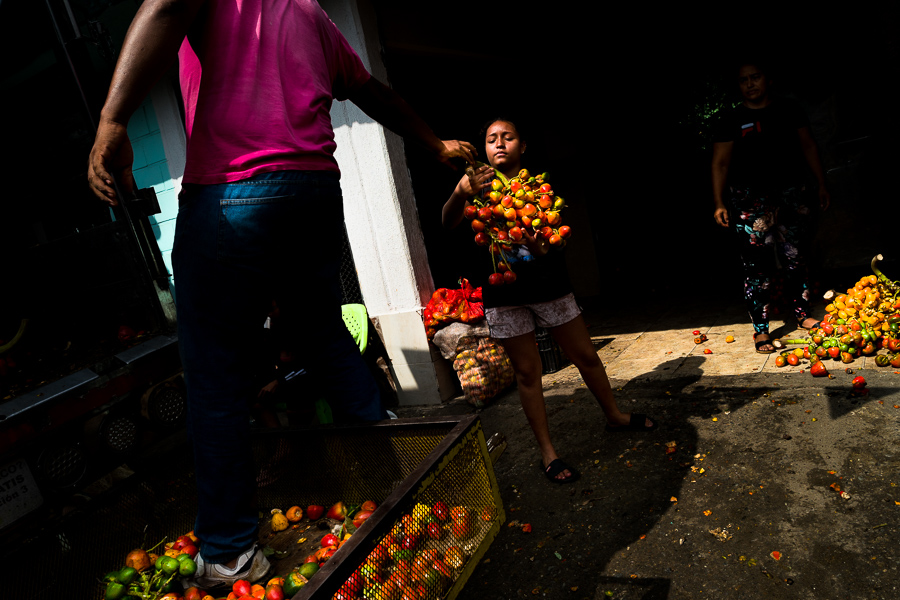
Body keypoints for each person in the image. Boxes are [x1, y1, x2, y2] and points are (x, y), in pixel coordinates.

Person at [87, 0, 476, 589]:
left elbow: (165, 7)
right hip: (313, 194)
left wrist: (114, 119)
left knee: (216, 377)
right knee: (324, 334)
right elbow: (376, 95)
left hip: (232, 192)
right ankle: (392, 484)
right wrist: (435, 143)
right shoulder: (312, 14)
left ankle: (229, 552)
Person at [442, 118, 657, 485]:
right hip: (504, 294)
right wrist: (460, 192)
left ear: (522, 146)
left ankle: (615, 416)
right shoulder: (475, 184)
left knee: (586, 356)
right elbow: (448, 223)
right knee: (528, 373)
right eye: (492, 139)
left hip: (549, 286)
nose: (499, 144)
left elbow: (555, 238)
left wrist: (543, 247)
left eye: (507, 137)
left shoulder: (538, 185)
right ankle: (548, 453)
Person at [711, 61, 830, 353]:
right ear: (738, 86)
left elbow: (808, 146)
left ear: (769, 79)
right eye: (743, 80)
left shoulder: (789, 109)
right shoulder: (731, 118)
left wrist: (821, 183)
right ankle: (761, 330)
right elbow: (721, 162)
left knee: (796, 257)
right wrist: (718, 201)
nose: (750, 84)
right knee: (756, 267)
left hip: (791, 194)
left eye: (755, 77)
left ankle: (802, 315)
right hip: (750, 201)